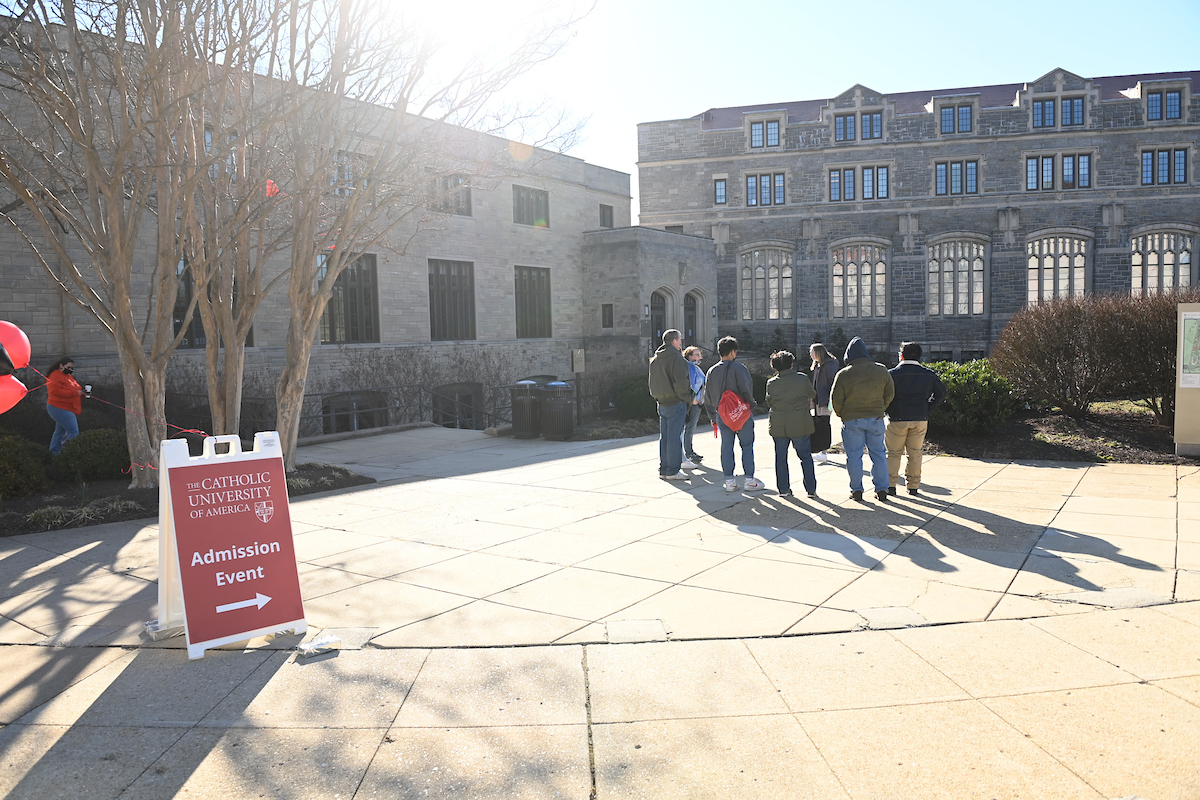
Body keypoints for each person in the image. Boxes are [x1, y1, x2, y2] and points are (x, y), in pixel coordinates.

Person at [830, 337, 894, 502]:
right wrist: (881, 409)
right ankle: (881, 489)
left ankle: (856, 490)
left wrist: (843, 415)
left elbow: (835, 400)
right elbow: (890, 393)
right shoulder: (881, 370)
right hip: (876, 418)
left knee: (854, 456)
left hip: (852, 420)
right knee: (879, 454)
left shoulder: (843, 374)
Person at [886, 342, 947, 496]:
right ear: (920, 356)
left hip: (897, 419)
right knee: (915, 453)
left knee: (893, 453)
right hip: (920, 417)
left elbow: (884, 396)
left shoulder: (892, 374)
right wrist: (927, 407)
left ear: (901, 355)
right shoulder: (928, 374)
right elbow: (941, 392)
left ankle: (890, 485)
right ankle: (913, 486)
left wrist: (888, 410)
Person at [705, 336, 764, 493]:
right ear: (733, 352)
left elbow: (708, 397)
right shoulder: (739, 368)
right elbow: (746, 389)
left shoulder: (712, 370)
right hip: (741, 414)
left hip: (722, 414)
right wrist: (751, 404)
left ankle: (729, 481)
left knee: (726, 447)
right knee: (746, 446)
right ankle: (749, 480)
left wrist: (713, 417)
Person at [766, 350, 817, 498]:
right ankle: (811, 489)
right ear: (792, 364)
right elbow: (812, 394)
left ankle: (783, 489)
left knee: (781, 457)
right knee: (805, 456)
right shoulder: (802, 378)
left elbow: (769, 401)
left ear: (775, 367)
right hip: (799, 421)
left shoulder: (771, 383)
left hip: (779, 423)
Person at [648, 329, 694, 480]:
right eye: (680, 340)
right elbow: (681, 383)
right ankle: (673, 471)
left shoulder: (655, 359)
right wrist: (689, 398)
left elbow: (652, 383)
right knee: (674, 437)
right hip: (676, 402)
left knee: (665, 438)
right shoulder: (677, 359)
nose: (681, 343)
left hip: (661, 402)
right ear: (674, 341)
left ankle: (665, 469)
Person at [46, 356, 86, 455]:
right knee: (73, 431)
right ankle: (73, 454)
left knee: (59, 432)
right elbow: (55, 391)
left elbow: (73, 389)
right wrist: (75, 394)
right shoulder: (55, 375)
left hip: (68, 407)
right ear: (61, 366)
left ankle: (54, 453)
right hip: (59, 407)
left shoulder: (68, 376)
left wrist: (82, 394)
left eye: (71, 368)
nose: (70, 370)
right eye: (68, 367)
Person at [809, 343, 840, 463]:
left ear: (818, 352)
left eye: (812, 352)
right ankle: (822, 450)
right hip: (818, 399)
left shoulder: (828, 365)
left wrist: (830, 399)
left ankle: (824, 452)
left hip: (825, 400)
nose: (811, 354)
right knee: (820, 424)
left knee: (824, 424)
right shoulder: (818, 365)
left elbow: (833, 382)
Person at [681, 345, 706, 467]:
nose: (699, 356)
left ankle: (689, 452)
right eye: (697, 354)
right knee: (689, 428)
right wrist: (694, 399)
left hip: (698, 401)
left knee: (690, 427)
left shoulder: (695, 367)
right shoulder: (690, 367)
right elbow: (692, 384)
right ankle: (688, 453)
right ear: (690, 356)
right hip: (694, 402)